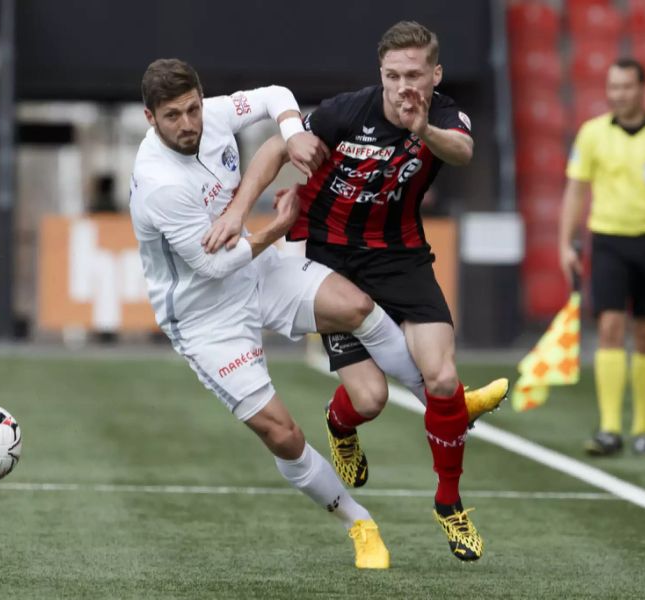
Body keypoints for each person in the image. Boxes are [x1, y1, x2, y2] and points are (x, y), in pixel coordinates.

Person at [202, 21, 509, 562]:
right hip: (334, 257)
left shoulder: (440, 116)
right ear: (381, 75)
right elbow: (277, 148)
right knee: (369, 399)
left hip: (402, 257)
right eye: (392, 75)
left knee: (440, 377)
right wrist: (237, 210)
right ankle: (341, 424)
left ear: (434, 75)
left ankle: (449, 503)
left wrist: (422, 131)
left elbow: (461, 151)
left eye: (414, 75)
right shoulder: (348, 111)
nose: (402, 86)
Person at [130, 58, 446, 569]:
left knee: (356, 305)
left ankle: (438, 402)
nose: (188, 124)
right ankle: (359, 522)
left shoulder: (212, 113)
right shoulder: (159, 184)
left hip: (256, 270)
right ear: (150, 118)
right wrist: (276, 229)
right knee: (281, 432)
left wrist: (292, 131)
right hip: (205, 316)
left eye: (192, 109)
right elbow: (213, 267)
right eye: (172, 117)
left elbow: (275, 91)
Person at [559, 58, 645, 458]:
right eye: (613, 87)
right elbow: (575, 191)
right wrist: (566, 242)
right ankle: (610, 428)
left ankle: (643, 430)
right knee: (611, 325)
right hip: (609, 240)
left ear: (642, 88)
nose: (618, 94)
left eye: (626, 87)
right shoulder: (592, 133)